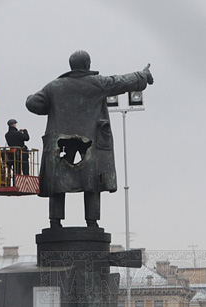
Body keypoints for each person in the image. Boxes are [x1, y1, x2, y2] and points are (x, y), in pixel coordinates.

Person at [26, 50, 154, 228]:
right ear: (87, 65)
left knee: (57, 182)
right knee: (92, 180)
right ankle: (91, 222)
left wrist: (50, 104)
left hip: (60, 143)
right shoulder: (98, 83)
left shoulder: (53, 87)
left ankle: (55, 221)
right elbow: (122, 82)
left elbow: (32, 103)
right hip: (90, 141)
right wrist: (143, 75)